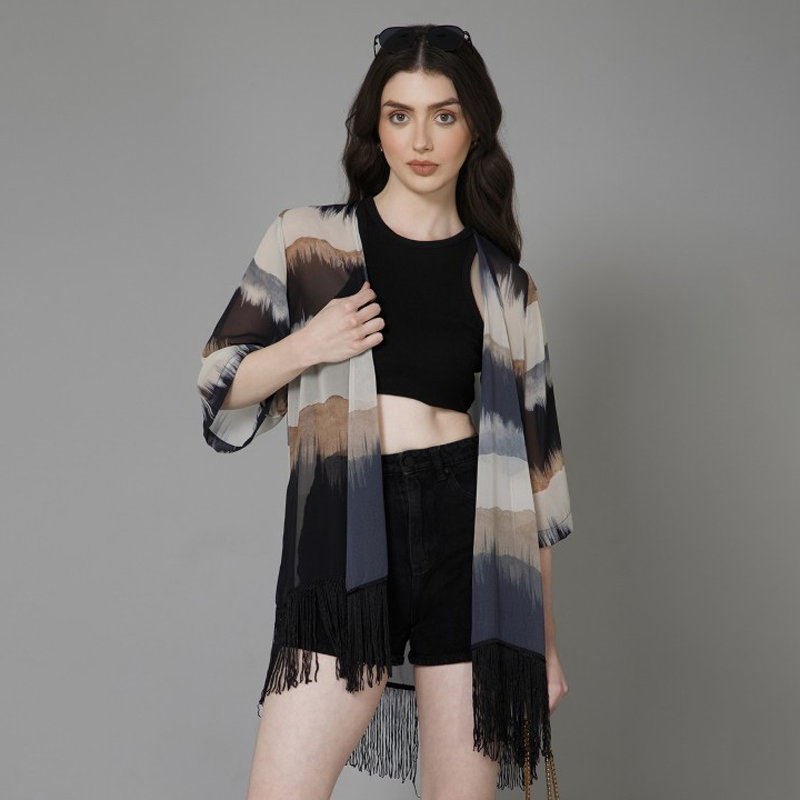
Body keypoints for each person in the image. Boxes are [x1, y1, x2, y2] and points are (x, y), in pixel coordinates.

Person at [197, 23, 573, 800]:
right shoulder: (309, 241)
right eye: (400, 115)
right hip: (346, 521)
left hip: (473, 535)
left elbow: (539, 481)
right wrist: (310, 344)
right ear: (377, 126)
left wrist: (544, 643)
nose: (421, 139)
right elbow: (219, 383)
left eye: (444, 115)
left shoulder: (507, 284)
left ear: (475, 128)